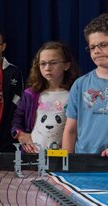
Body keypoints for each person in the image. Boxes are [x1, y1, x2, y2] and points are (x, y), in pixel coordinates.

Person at [11, 41, 80, 153]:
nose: (47, 68)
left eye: (53, 63)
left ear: (66, 65)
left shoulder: (75, 93)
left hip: (63, 156)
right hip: (35, 155)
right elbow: (17, 118)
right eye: (43, 63)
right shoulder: (30, 94)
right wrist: (21, 135)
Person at [62, 13, 108, 156]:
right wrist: (67, 166)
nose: (96, 51)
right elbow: (70, 130)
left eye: (103, 45)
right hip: (84, 164)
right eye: (92, 47)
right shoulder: (80, 84)